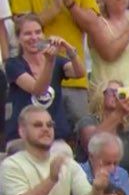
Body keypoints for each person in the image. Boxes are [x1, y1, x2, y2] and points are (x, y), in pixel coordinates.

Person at [10, 0, 100, 128]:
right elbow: (22, 28)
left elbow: (93, 25)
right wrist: (55, 5)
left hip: (74, 77)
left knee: (84, 135)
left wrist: (70, 2)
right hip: (35, 80)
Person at [5, 14, 83, 145]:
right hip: (22, 140)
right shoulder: (13, 64)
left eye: (38, 32)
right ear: (18, 39)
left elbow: (79, 72)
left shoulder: (57, 61)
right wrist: (49, 62)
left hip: (54, 137)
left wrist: (67, 47)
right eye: (27, 34)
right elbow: (38, 90)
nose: (34, 37)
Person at [75, 79, 129, 180]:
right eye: (111, 91)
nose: (116, 95)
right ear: (101, 95)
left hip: (124, 186)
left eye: (120, 93)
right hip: (92, 183)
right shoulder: (88, 121)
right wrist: (119, 113)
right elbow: (92, 145)